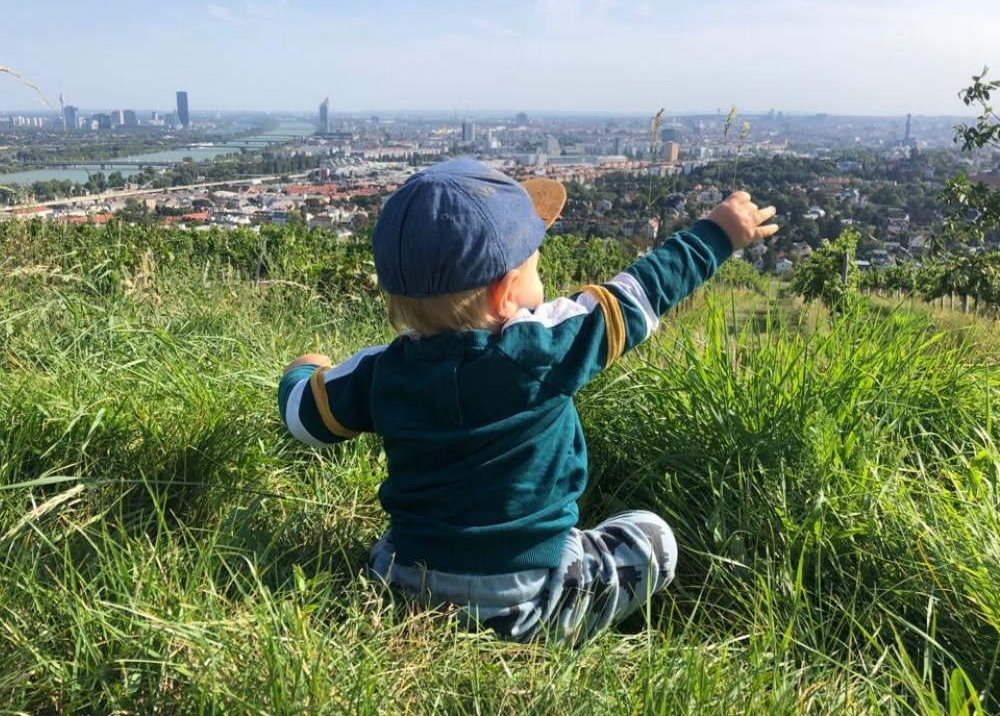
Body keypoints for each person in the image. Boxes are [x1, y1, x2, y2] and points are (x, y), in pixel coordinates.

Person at [278, 157, 778, 646]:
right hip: (532, 598)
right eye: (536, 266)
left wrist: (302, 370)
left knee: (402, 543)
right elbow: (643, 290)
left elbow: (304, 417)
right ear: (504, 294)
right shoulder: (543, 349)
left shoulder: (379, 373)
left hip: (406, 582)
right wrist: (719, 232)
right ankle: (566, 611)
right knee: (653, 535)